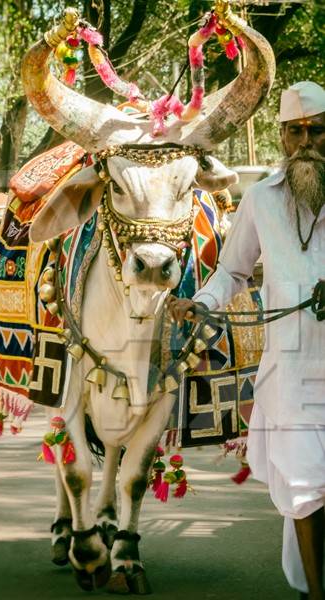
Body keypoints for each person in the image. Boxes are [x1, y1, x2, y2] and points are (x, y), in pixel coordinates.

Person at [168, 81, 325, 600]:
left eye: (317, 130)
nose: (306, 141)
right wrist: (202, 302)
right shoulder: (259, 199)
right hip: (290, 373)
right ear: (281, 136)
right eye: (295, 131)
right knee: (304, 489)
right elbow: (231, 272)